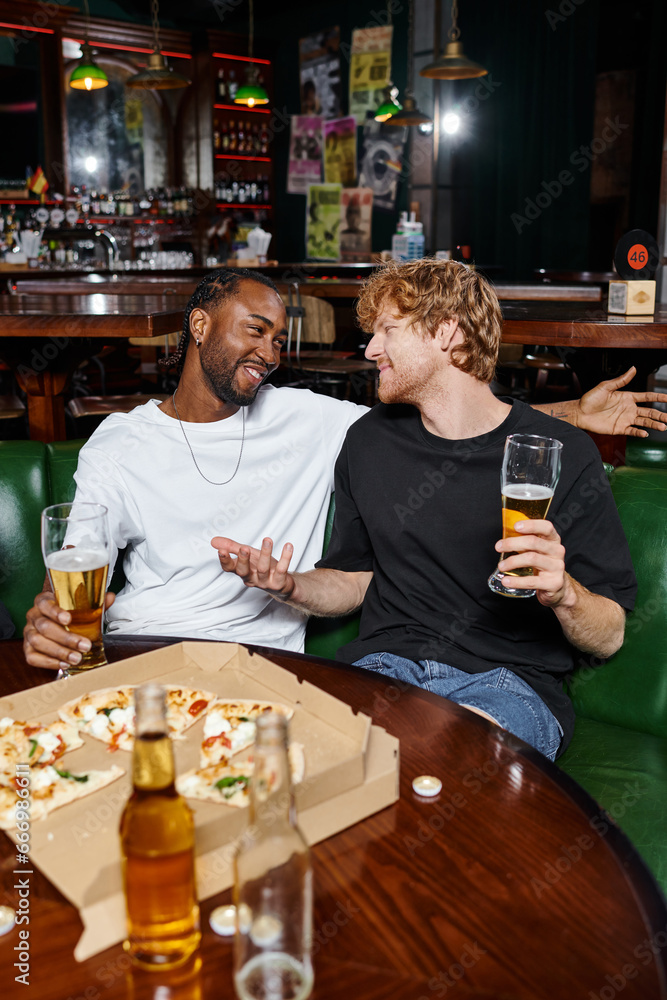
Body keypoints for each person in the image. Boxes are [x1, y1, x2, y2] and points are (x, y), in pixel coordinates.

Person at [23, 267, 667, 673]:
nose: (269, 352)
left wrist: (572, 416)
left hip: (261, 665)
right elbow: (77, 563)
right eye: (254, 330)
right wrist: (51, 616)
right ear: (198, 325)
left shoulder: (311, 418)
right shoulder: (121, 441)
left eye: (279, 338)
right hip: (143, 650)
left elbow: (457, 410)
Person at [212, 260, 646, 761]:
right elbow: (354, 579)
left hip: (507, 686)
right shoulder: (369, 441)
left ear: (446, 332)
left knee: (450, 767)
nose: (371, 349)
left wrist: (565, 593)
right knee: (300, 760)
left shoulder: (561, 453)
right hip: (384, 668)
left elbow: (609, 635)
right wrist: (289, 586)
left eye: (388, 331)